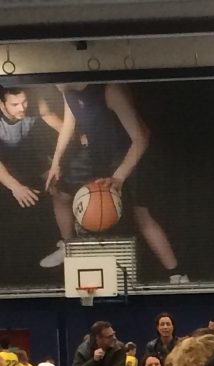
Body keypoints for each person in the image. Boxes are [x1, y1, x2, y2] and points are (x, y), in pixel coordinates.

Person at [45, 83, 189, 283]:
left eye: (56, 80)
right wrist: (56, 161)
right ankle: (69, 246)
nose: (53, 84)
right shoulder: (67, 91)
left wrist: (119, 176)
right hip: (98, 153)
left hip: (130, 155)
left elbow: (142, 136)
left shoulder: (111, 91)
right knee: (60, 193)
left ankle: (177, 275)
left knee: (141, 214)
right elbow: (69, 124)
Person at [0, 86, 69, 269]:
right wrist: (15, 186)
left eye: (24, 102)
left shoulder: (35, 103)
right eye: (15, 105)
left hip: (27, 153)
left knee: (56, 183)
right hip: (4, 159)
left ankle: (68, 244)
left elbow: (55, 120)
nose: (22, 108)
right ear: (2, 104)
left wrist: (79, 136)